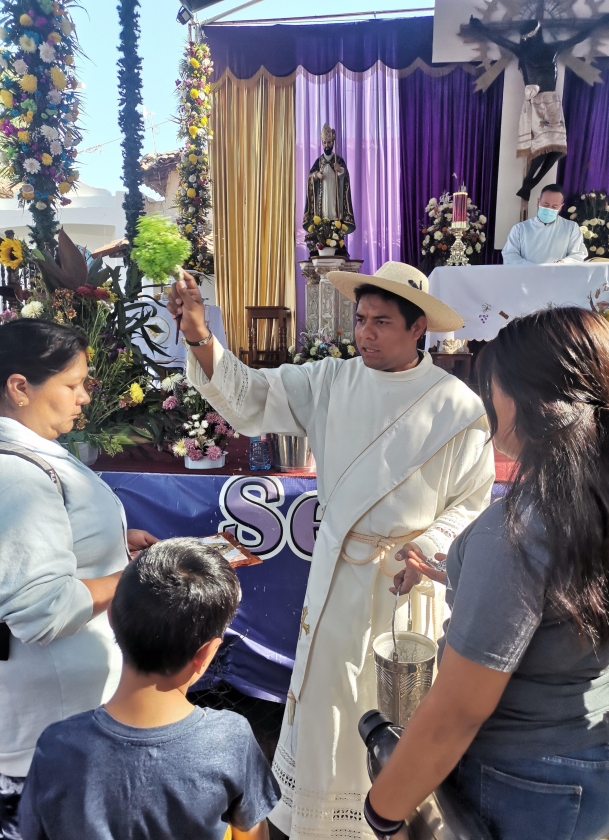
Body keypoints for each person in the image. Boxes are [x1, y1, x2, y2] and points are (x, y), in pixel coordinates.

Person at [167, 261, 495, 840]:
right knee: (328, 703)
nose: (364, 333)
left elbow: (472, 501)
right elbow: (251, 396)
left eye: (381, 322)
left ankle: (393, 816)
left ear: (418, 328)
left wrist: (429, 545)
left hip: (406, 583)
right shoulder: (331, 381)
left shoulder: (457, 406)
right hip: (336, 576)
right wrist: (198, 334)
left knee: (395, 709)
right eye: (361, 319)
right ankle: (320, 821)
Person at [367, 307, 609, 840]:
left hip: (525, 784)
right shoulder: (608, 498)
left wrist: (384, 808)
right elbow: (560, 604)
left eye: (494, 389)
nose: (489, 404)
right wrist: (451, 574)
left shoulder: (515, 529)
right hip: (604, 762)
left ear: (530, 402)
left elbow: (458, 710)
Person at [0, 319, 157, 840]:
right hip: (53, 720)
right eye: (72, 385)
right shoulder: (16, 471)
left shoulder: (31, 451)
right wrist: (133, 575)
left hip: (68, 712)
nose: (84, 397)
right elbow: (43, 607)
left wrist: (113, 544)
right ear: (20, 388)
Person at [19, 538, 279, 840]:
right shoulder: (231, 740)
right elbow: (252, 833)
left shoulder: (56, 745)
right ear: (206, 654)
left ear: (113, 617)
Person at [469, 13, 609, 201]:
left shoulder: (552, 48)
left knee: (557, 149)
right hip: (536, 102)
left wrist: (599, 22)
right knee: (544, 146)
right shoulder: (524, 52)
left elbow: (578, 37)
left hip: (553, 102)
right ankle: (528, 184)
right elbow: (498, 39)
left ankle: (528, 185)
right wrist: (479, 27)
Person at [502, 184, 588, 265]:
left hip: (558, 277)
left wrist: (562, 263)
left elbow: (578, 254)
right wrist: (532, 268)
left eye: (554, 206)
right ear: (538, 202)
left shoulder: (571, 228)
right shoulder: (520, 229)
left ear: (561, 206)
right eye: (546, 205)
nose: (549, 209)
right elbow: (510, 255)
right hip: (527, 277)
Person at [303, 122, 356, 250]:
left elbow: (346, 178)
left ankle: (337, 238)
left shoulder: (338, 160)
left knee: (334, 214)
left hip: (334, 198)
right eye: (325, 143)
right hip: (322, 200)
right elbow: (310, 176)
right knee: (323, 216)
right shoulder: (319, 161)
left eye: (329, 142)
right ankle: (321, 239)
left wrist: (340, 171)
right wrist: (316, 175)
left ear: (333, 142)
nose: (327, 145)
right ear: (322, 143)